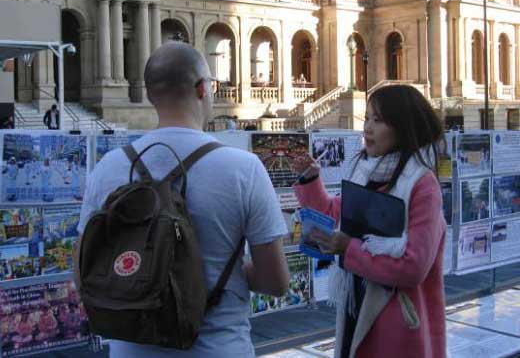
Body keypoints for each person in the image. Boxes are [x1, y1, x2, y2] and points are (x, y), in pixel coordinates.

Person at [76, 41, 289, 357]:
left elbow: (82, 273)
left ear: (150, 95)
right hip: (219, 348)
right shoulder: (244, 168)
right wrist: (222, 270)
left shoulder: (108, 167)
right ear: (202, 88)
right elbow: (275, 282)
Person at [292, 85, 446, 358]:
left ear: (403, 126)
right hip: (357, 309)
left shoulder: (422, 184)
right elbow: (333, 213)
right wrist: (310, 180)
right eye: (366, 118)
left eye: (378, 120)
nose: (367, 128)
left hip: (397, 328)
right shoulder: (365, 172)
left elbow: (413, 267)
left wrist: (348, 249)